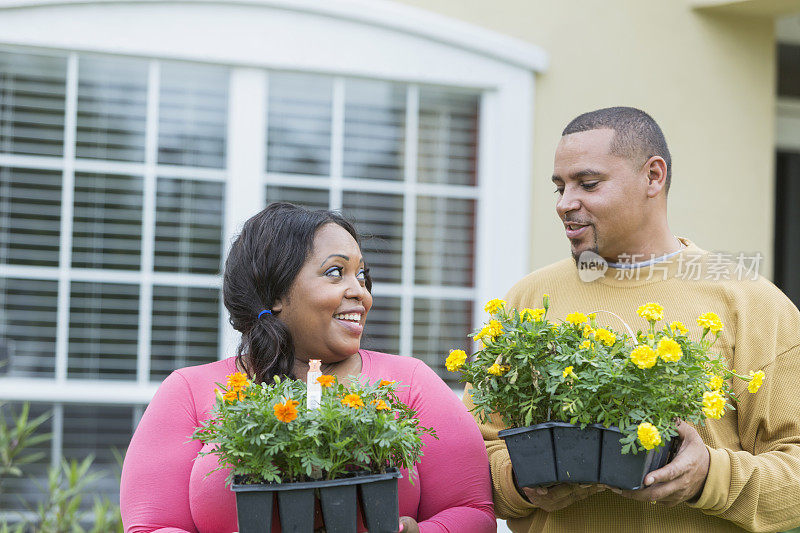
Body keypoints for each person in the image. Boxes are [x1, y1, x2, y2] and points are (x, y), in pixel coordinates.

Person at [467, 107, 800, 532]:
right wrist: (521, 481)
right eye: (560, 187)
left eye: (588, 183)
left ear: (653, 177)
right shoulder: (528, 301)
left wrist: (709, 478)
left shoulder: (748, 300)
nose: (566, 204)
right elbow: (475, 458)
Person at [121, 202, 496, 533]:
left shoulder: (411, 383)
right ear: (276, 294)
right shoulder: (188, 391)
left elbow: (472, 512)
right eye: (336, 273)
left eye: (361, 275)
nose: (361, 293)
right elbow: (151, 525)